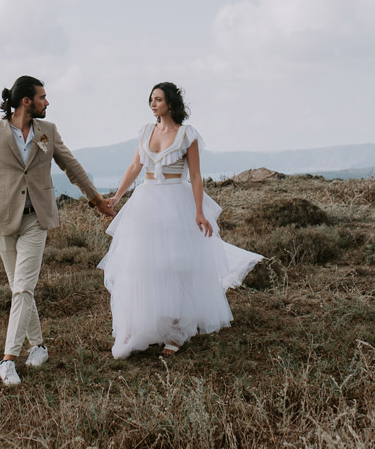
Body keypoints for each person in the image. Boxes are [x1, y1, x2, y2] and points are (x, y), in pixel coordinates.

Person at [0, 75, 114, 386]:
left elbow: (71, 167)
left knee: (23, 287)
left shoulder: (48, 131)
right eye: (43, 97)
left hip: (37, 219)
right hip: (4, 220)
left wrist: (96, 199)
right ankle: (39, 346)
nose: (48, 102)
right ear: (26, 101)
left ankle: (7, 360)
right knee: (20, 288)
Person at [97, 82, 262, 359]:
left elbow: (195, 176)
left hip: (176, 202)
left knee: (176, 267)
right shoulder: (146, 131)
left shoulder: (187, 135)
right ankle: (137, 326)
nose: (153, 104)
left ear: (170, 103)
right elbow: (136, 166)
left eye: (158, 99)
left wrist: (199, 211)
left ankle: (177, 331)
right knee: (141, 266)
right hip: (146, 202)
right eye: (151, 99)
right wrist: (116, 197)